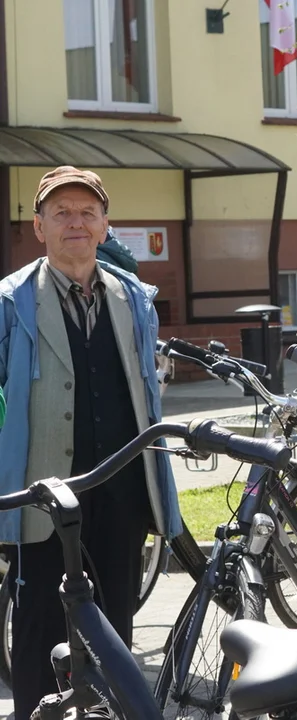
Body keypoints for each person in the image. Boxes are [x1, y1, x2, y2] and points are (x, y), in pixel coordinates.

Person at [0, 166, 182, 719]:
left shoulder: (133, 296)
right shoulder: (11, 301)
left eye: (87, 213)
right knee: (39, 629)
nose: (74, 223)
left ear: (105, 226)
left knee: (114, 630)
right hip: (43, 496)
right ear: (39, 227)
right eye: (61, 213)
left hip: (123, 488)